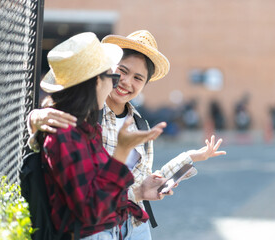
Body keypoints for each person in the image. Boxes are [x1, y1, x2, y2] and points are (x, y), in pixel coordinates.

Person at [28, 30, 226, 240]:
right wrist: (34, 117)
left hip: (133, 224)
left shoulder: (139, 123)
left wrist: (190, 158)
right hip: (100, 229)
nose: (124, 82)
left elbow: (140, 182)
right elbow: (92, 204)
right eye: (119, 73)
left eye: (138, 78)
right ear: (97, 79)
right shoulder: (82, 120)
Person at [34, 32, 167, 240]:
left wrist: (140, 192)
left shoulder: (87, 129)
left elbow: (100, 192)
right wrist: (122, 152)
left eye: (138, 78)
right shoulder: (67, 132)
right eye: (114, 75)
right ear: (95, 83)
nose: (119, 83)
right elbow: (92, 212)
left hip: (125, 224)